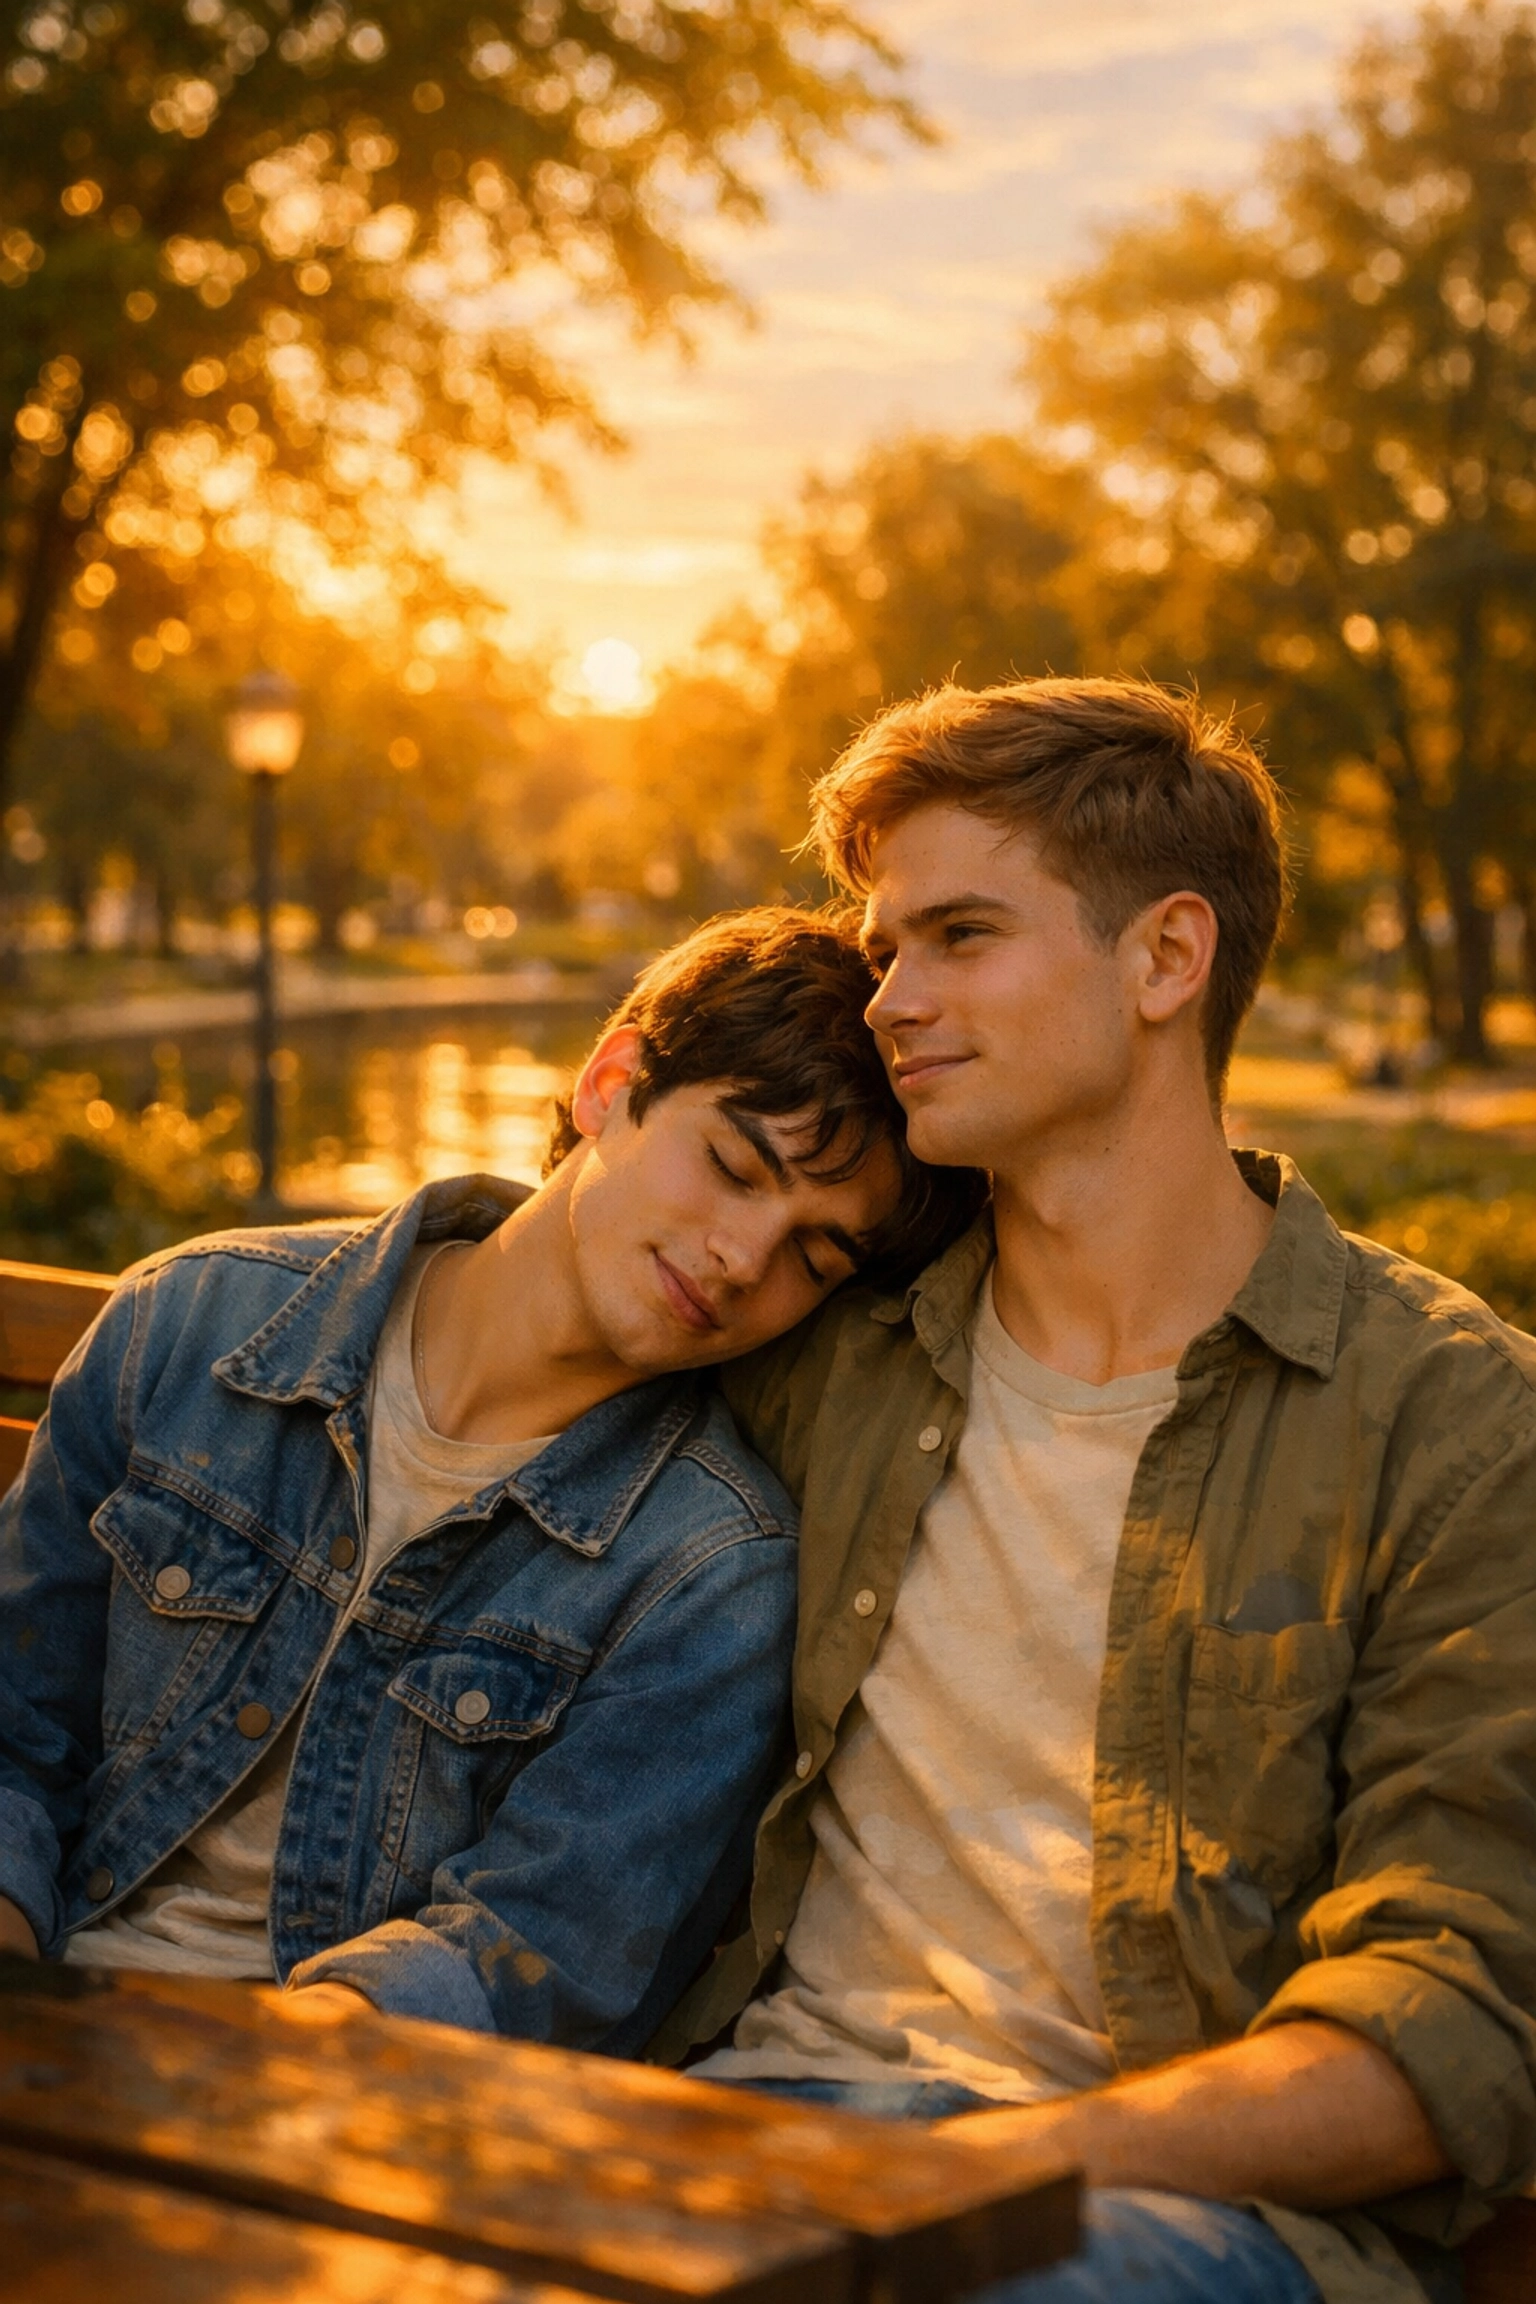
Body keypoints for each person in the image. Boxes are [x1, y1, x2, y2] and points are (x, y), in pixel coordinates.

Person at [659, 682, 1536, 2304]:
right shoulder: (829, 1348)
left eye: (960, 936)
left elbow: (1459, 2003)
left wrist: (995, 2171)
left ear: (1165, 957)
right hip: (763, 2123)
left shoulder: (1452, 1417)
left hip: (1162, 2210)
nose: (890, 1002)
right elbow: (526, 1313)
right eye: (884, 950)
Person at [0, 907, 980, 2048]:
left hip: (339, 2094)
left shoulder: (710, 1574)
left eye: (814, 1256)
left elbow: (535, 1952)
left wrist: (246, 2079)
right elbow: (16, 1739)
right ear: (611, 1085)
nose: (743, 1257)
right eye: (731, 1167)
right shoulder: (195, 1324)